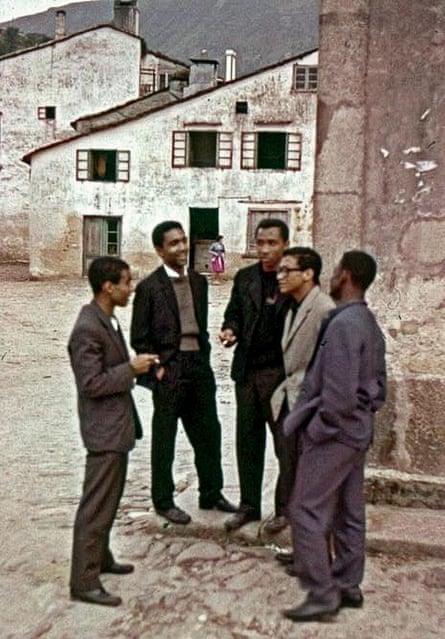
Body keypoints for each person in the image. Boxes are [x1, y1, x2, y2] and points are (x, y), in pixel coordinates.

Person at [281, 250, 387, 623]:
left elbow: (338, 396)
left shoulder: (343, 325)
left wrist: (317, 429)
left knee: (305, 509)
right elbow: (379, 389)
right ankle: (347, 583)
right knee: (348, 510)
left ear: (345, 276)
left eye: (337, 269)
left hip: (335, 436)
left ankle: (323, 595)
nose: (334, 274)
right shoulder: (368, 322)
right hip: (357, 433)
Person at [130, 220, 236, 525]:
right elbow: (139, 337)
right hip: (170, 370)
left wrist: (205, 360)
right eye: (173, 243)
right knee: (165, 438)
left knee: (209, 433)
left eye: (183, 241)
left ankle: (211, 492)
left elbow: (198, 328)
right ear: (160, 250)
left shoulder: (198, 282)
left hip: (199, 368)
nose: (181, 248)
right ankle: (163, 500)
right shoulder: (149, 288)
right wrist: (158, 372)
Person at [69, 256, 158, 607]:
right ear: (108, 286)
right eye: (126, 282)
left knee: (108, 501)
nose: (130, 288)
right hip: (103, 431)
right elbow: (90, 383)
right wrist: (131, 369)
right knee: (96, 505)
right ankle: (84, 580)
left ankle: (100, 558)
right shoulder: (88, 328)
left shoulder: (106, 320)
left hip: (114, 428)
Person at [219, 218, 290, 531]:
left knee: (285, 445)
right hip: (247, 373)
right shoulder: (245, 277)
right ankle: (249, 506)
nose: (264, 250)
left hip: (280, 375)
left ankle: (285, 509)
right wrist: (230, 330)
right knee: (248, 442)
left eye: (272, 243)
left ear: (285, 244)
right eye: (260, 243)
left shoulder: (293, 280)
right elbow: (233, 311)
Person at [268, 247, 335, 534]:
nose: (280, 276)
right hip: (291, 399)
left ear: (307, 274)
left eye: (287, 271)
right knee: (291, 467)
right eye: (279, 271)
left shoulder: (323, 310)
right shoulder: (293, 306)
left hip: (311, 404)